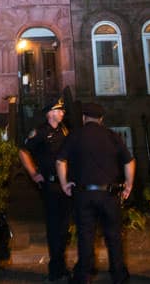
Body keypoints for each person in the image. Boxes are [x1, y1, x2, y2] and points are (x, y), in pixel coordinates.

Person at [56, 102, 134, 284]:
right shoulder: (112, 136)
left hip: (84, 195)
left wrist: (64, 184)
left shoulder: (75, 136)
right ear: (101, 119)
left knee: (85, 237)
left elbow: (60, 161)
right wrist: (128, 184)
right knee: (114, 237)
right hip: (109, 195)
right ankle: (119, 276)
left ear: (84, 118)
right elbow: (129, 162)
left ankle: (83, 277)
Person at [19, 98, 71, 282]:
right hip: (50, 186)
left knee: (64, 227)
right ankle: (55, 269)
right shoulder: (40, 132)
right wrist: (34, 173)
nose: (63, 112)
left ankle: (62, 265)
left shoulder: (65, 130)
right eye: (59, 110)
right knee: (54, 227)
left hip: (65, 185)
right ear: (50, 113)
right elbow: (23, 151)